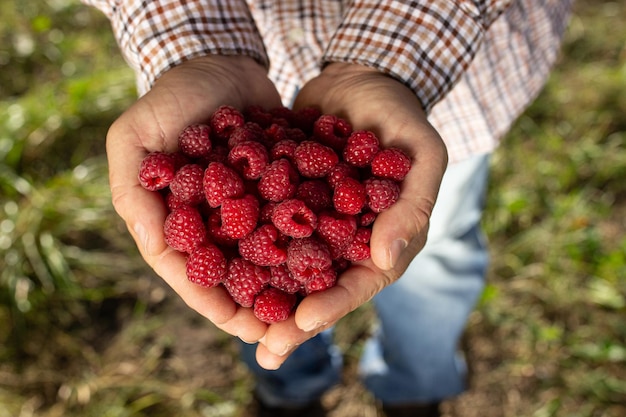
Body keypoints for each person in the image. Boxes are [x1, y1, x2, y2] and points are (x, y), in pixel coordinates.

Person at [83, 0, 573, 415]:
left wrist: (389, 59)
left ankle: (416, 391)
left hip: (448, 81)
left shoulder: (317, 197)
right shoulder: (250, 205)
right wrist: (196, 48)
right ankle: (289, 394)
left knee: (435, 256)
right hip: (226, 71)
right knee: (271, 318)